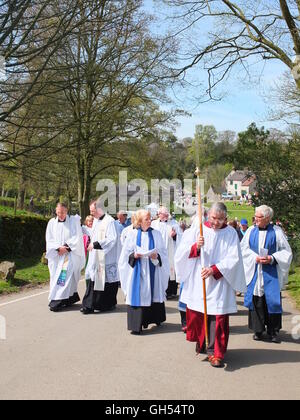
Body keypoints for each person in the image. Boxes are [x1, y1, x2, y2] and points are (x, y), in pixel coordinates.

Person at [174, 202, 246, 368]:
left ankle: (216, 353)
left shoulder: (230, 234)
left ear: (225, 218)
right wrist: (196, 247)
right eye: (214, 218)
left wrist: (215, 269)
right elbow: (181, 254)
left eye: (220, 219)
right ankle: (203, 343)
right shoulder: (197, 230)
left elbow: (234, 258)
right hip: (199, 281)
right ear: (208, 215)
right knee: (200, 314)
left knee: (218, 317)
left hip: (219, 282)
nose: (216, 222)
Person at [241, 205, 293, 343]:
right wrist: (254, 258)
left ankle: (273, 331)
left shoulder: (277, 231)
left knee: (272, 301)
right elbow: (243, 249)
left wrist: (272, 258)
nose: (255, 219)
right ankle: (258, 330)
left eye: (258, 217)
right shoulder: (251, 231)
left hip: (271, 273)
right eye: (255, 216)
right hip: (255, 271)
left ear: (267, 218)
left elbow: (286, 252)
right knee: (256, 301)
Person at [118, 209, 170, 334]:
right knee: (138, 294)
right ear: (139, 221)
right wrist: (134, 256)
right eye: (147, 219)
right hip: (137, 270)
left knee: (153, 291)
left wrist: (156, 257)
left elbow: (163, 252)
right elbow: (125, 254)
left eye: (150, 218)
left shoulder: (156, 234)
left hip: (153, 268)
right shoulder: (132, 234)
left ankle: (154, 318)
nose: (150, 220)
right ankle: (137, 325)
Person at [46, 203, 85, 312]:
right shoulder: (51, 223)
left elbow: (77, 236)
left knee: (63, 276)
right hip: (56, 255)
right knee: (55, 276)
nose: (60, 215)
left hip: (69, 254)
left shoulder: (73, 221)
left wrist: (66, 248)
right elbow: (49, 239)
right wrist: (58, 248)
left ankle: (57, 300)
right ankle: (69, 298)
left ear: (66, 211)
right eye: (58, 212)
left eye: (62, 212)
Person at [81, 201, 119, 314]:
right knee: (96, 280)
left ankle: (106, 304)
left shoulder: (110, 221)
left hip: (106, 256)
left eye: (92, 211)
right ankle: (91, 305)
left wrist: (97, 244)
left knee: (107, 282)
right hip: (97, 255)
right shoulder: (97, 220)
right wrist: (80, 227)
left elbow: (112, 238)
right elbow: (92, 233)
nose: (91, 213)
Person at [151, 206, 182, 299]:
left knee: (171, 270)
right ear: (159, 214)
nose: (166, 216)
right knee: (159, 269)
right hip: (159, 250)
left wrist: (174, 236)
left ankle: (171, 291)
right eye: (164, 214)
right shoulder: (154, 224)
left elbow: (180, 236)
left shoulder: (174, 224)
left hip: (170, 251)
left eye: (167, 214)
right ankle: (159, 290)